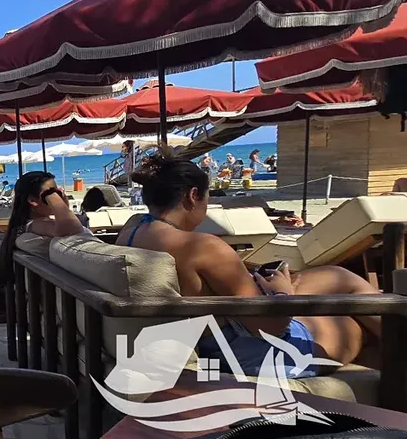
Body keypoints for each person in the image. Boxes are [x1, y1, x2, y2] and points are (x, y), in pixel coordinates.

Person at [118, 154, 382, 378]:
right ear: (193, 196)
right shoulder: (202, 246)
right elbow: (271, 327)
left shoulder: (130, 234)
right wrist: (282, 293)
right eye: (207, 200)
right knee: (357, 324)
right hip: (245, 352)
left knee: (338, 276)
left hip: (207, 337)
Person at [0, 172, 87, 280]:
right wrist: (55, 199)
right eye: (50, 193)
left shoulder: (25, 226)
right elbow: (72, 230)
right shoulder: (36, 225)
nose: (58, 196)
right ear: (32, 201)